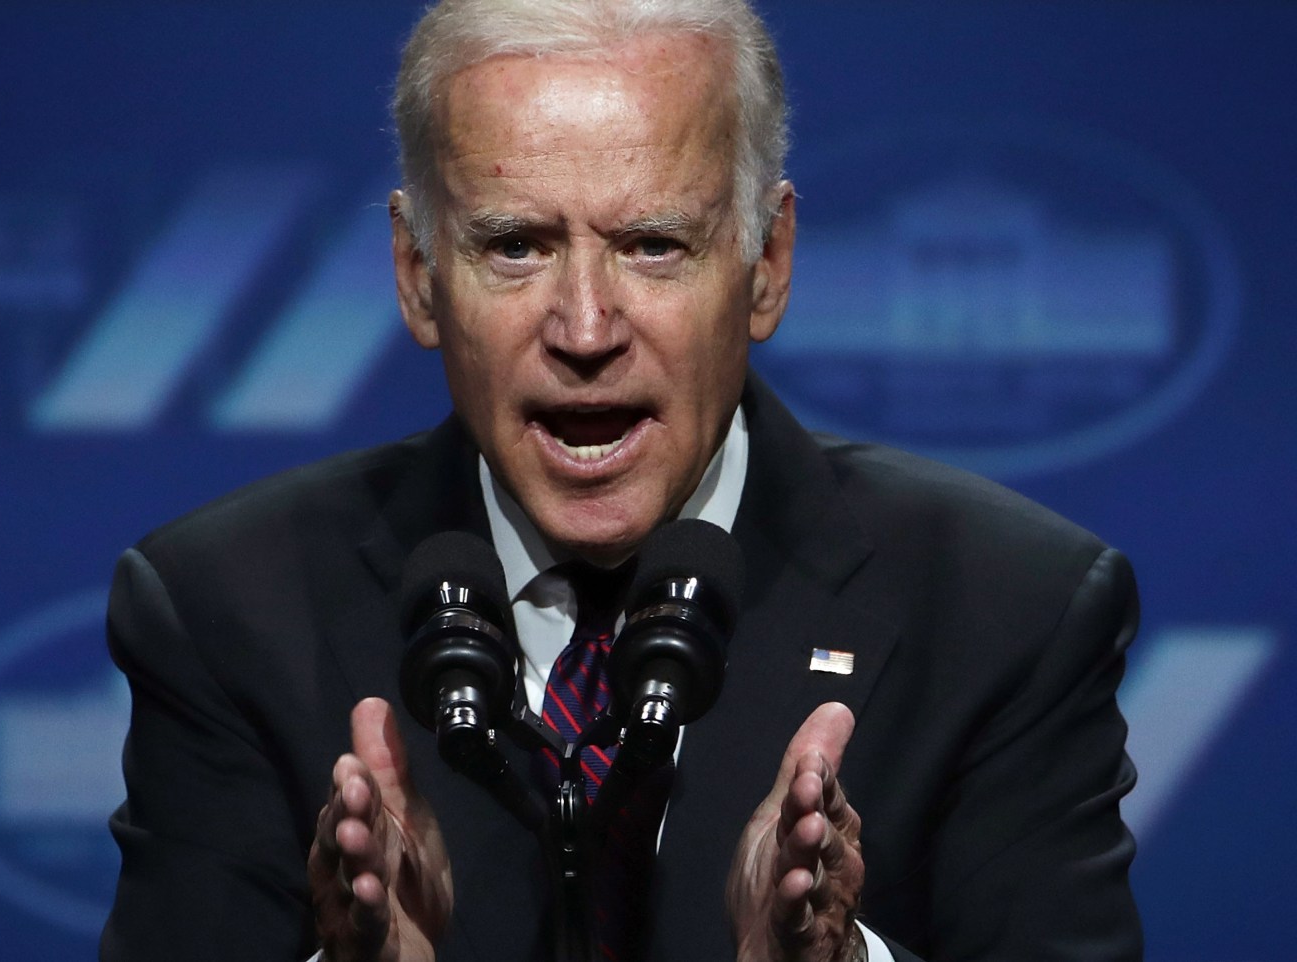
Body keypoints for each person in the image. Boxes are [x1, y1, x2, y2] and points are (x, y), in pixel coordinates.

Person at [99, 1, 1142, 960]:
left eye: (652, 245)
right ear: (419, 275)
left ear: (767, 262)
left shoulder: (1008, 611)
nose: (586, 328)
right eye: (516, 246)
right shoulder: (227, 611)